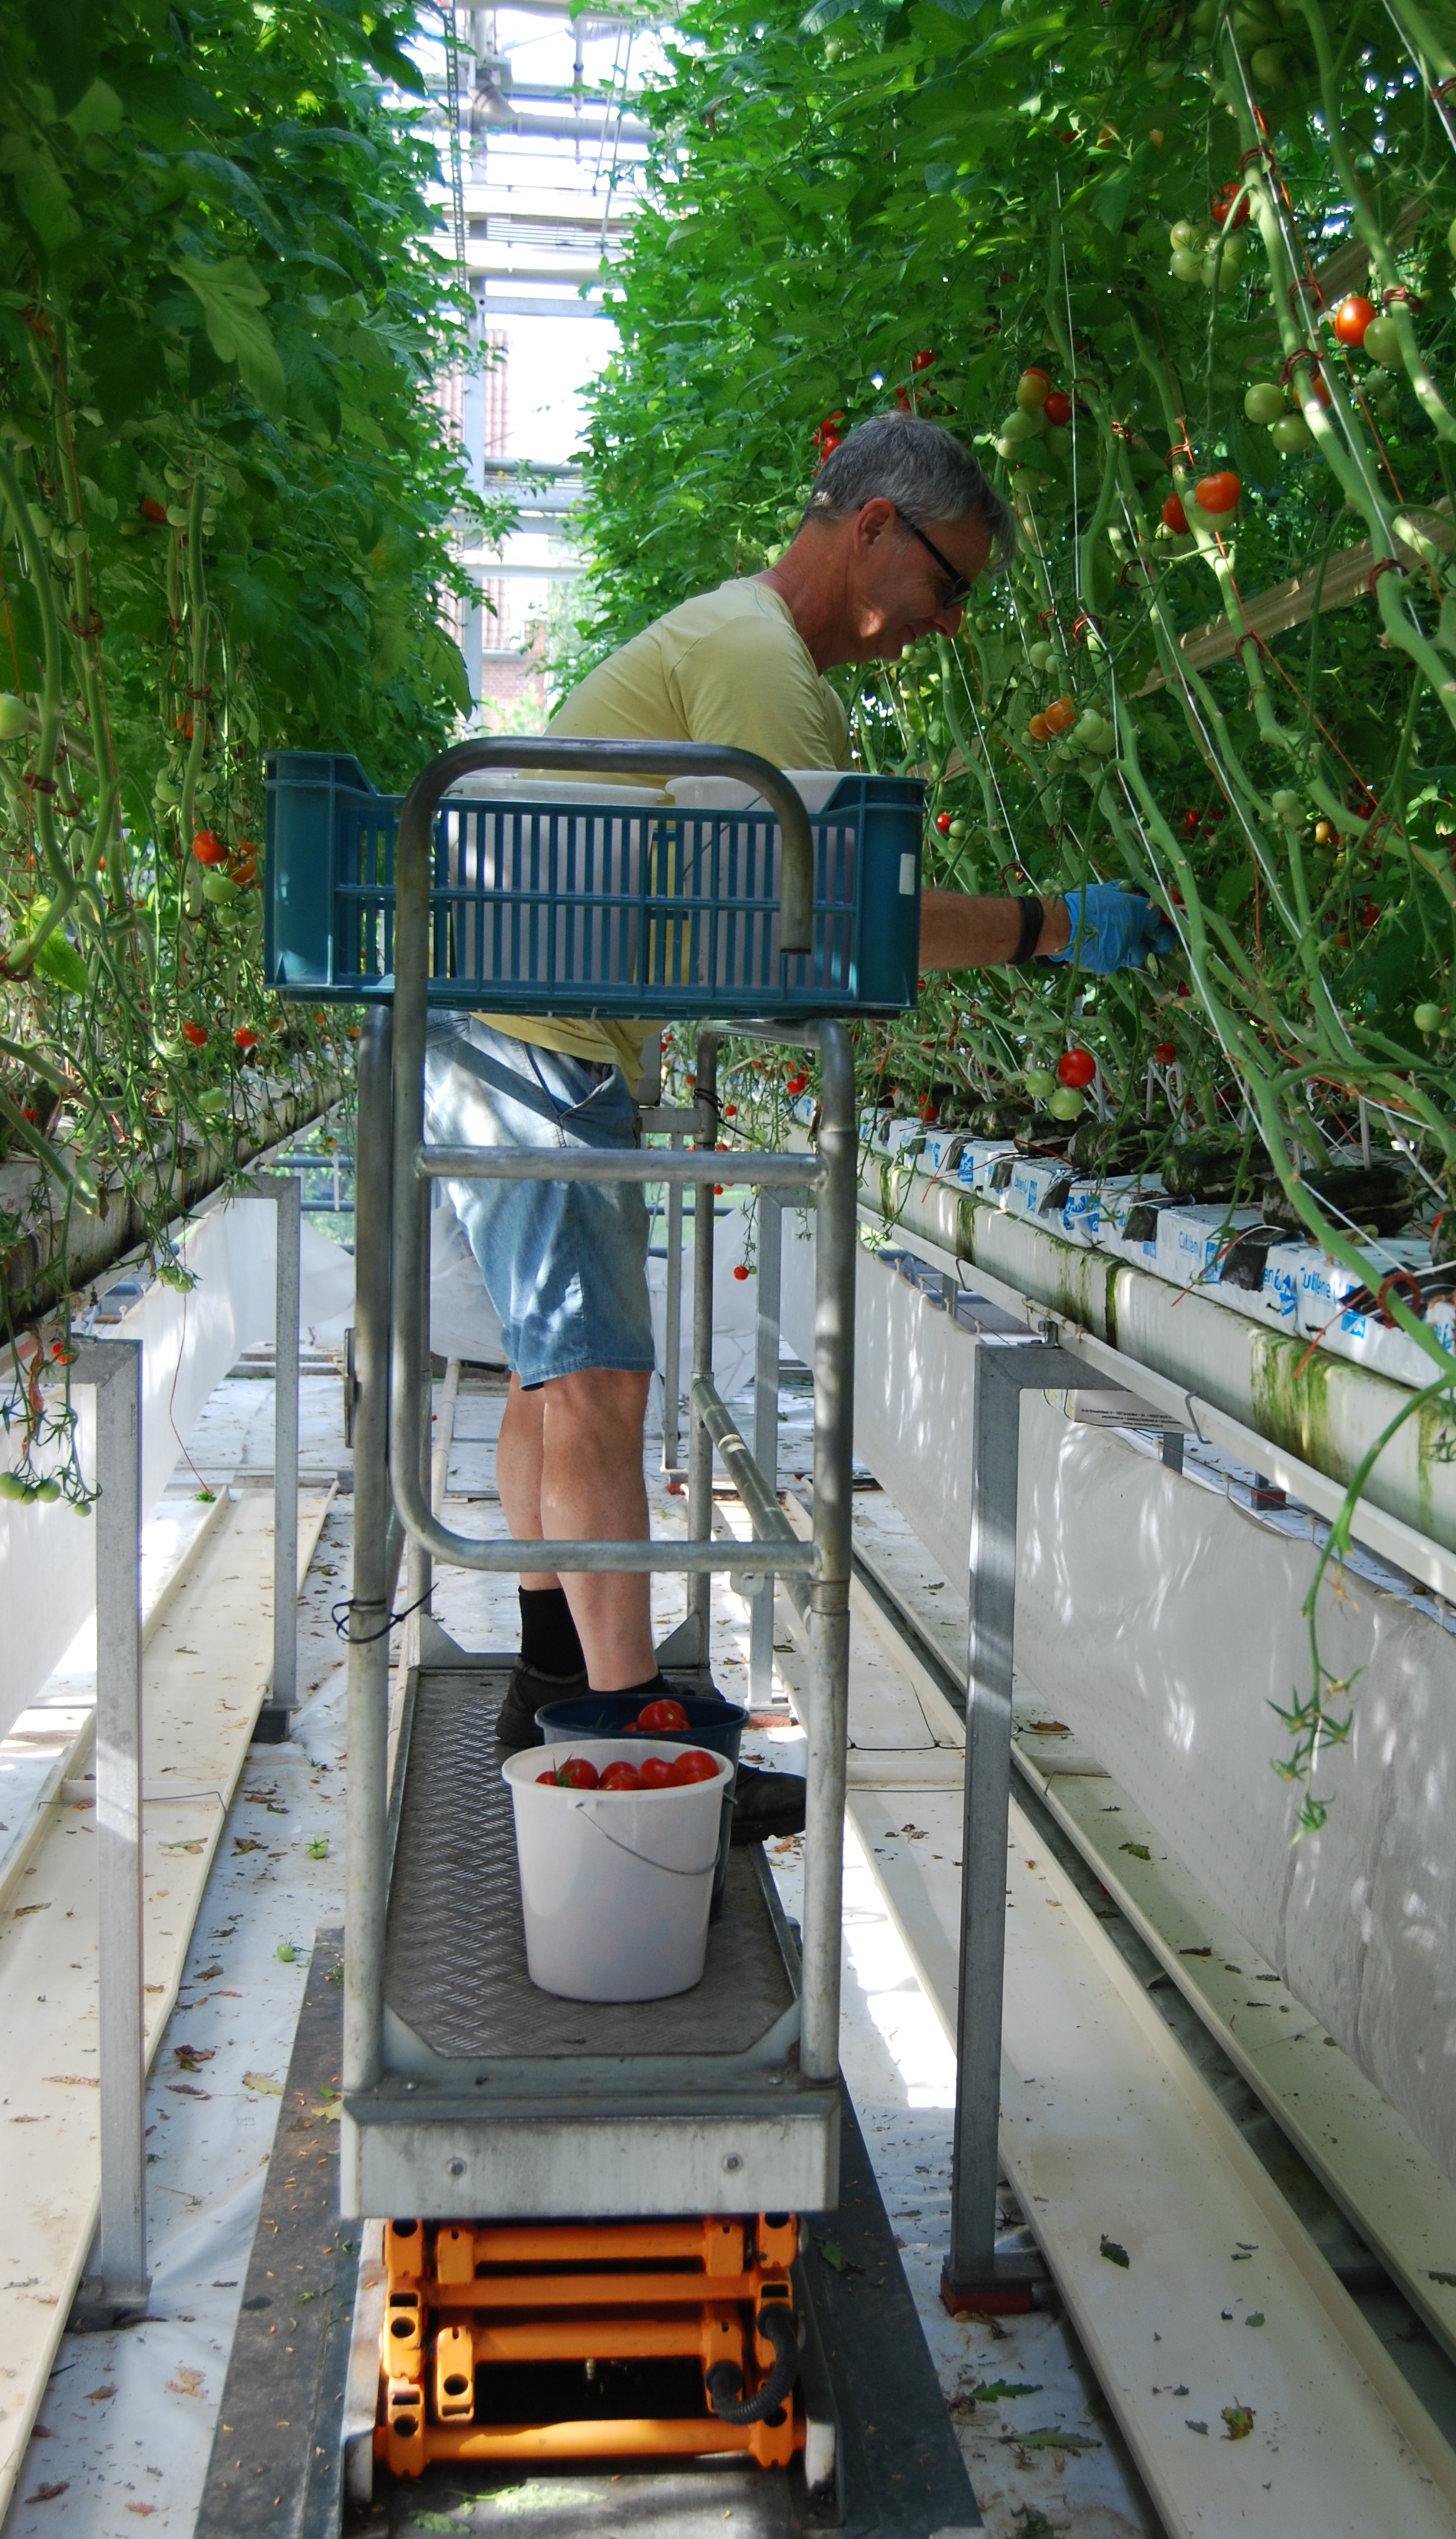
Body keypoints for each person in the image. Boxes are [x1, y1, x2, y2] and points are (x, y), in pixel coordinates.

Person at [426, 412, 1174, 1777]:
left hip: (515, 1031)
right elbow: (840, 926)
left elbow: (756, 925)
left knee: (553, 1384)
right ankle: (631, 1736)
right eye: (947, 583)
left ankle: (552, 1684)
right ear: (875, 525)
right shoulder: (766, 669)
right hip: (533, 1043)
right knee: (596, 1386)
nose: (945, 623)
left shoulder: (729, 641)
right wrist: (1049, 923)